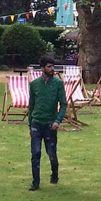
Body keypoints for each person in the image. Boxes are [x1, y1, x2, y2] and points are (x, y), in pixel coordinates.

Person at [27, 56, 68, 190]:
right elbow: (31, 106)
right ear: (42, 68)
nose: (52, 69)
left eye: (52, 66)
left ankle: (54, 173)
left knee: (52, 154)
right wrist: (30, 125)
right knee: (35, 153)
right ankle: (36, 182)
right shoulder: (34, 84)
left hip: (50, 124)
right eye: (49, 66)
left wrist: (57, 121)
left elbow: (63, 104)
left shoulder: (58, 83)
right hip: (36, 123)